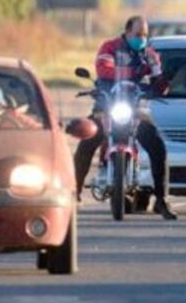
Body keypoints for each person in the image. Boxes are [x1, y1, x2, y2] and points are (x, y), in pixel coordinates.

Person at [74, 15, 177, 220]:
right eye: (138, 34)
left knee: (158, 147)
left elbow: (157, 80)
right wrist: (135, 70)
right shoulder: (110, 48)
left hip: (135, 109)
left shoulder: (150, 55)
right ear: (127, 32)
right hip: (107, 106)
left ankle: (161, 200)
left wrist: (164, 83)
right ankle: (73, 193)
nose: (142, 38)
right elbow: (104, 69)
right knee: (87, 140)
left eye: (145, 34)